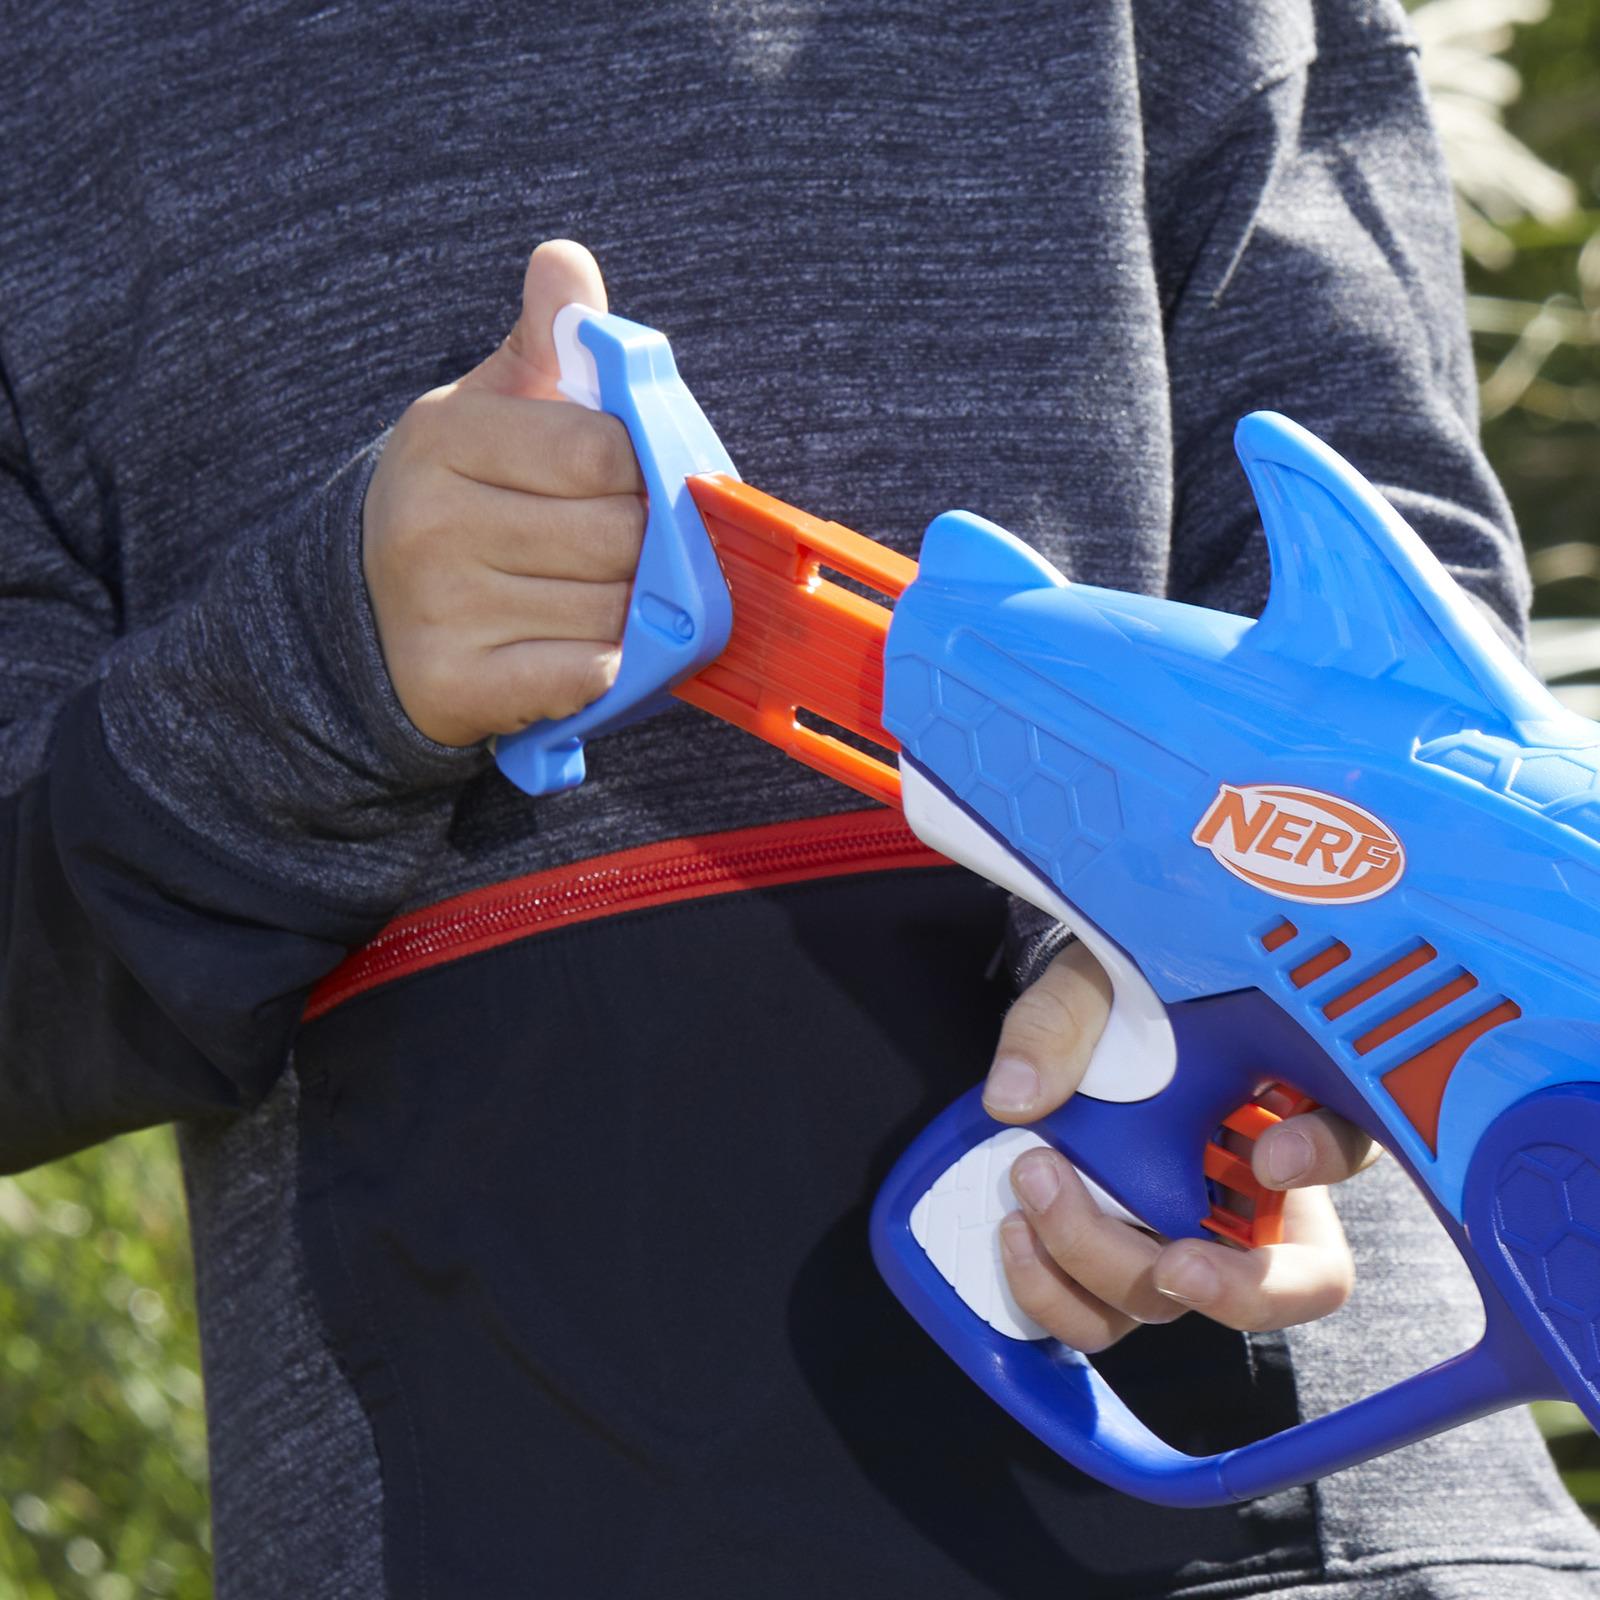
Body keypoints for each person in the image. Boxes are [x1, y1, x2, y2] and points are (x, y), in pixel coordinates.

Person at [2, 0, 1597, 1595]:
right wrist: (324, 668)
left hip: (1327, 1507)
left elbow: (1388, 585)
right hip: (514, 1517)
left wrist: (1170, 949)